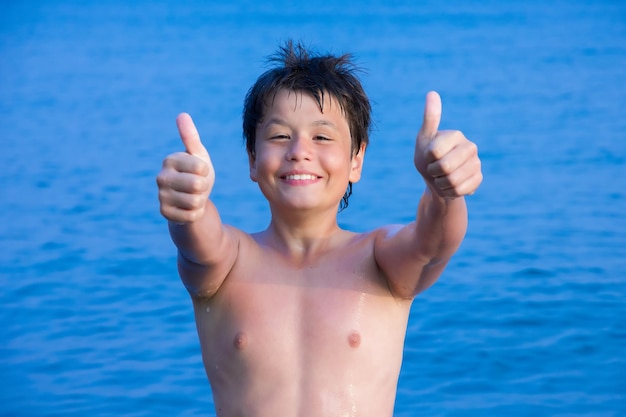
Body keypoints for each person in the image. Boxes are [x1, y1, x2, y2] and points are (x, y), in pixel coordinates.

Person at [156, 41, 482, 416]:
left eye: (322, 137)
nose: (299, 150)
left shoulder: (379, 261)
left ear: (356, 160)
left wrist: (444, 191)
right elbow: (198, 243)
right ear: (252, 158)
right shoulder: (229, 263)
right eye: (280, 136)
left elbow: (433, 242)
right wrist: (188, 206)